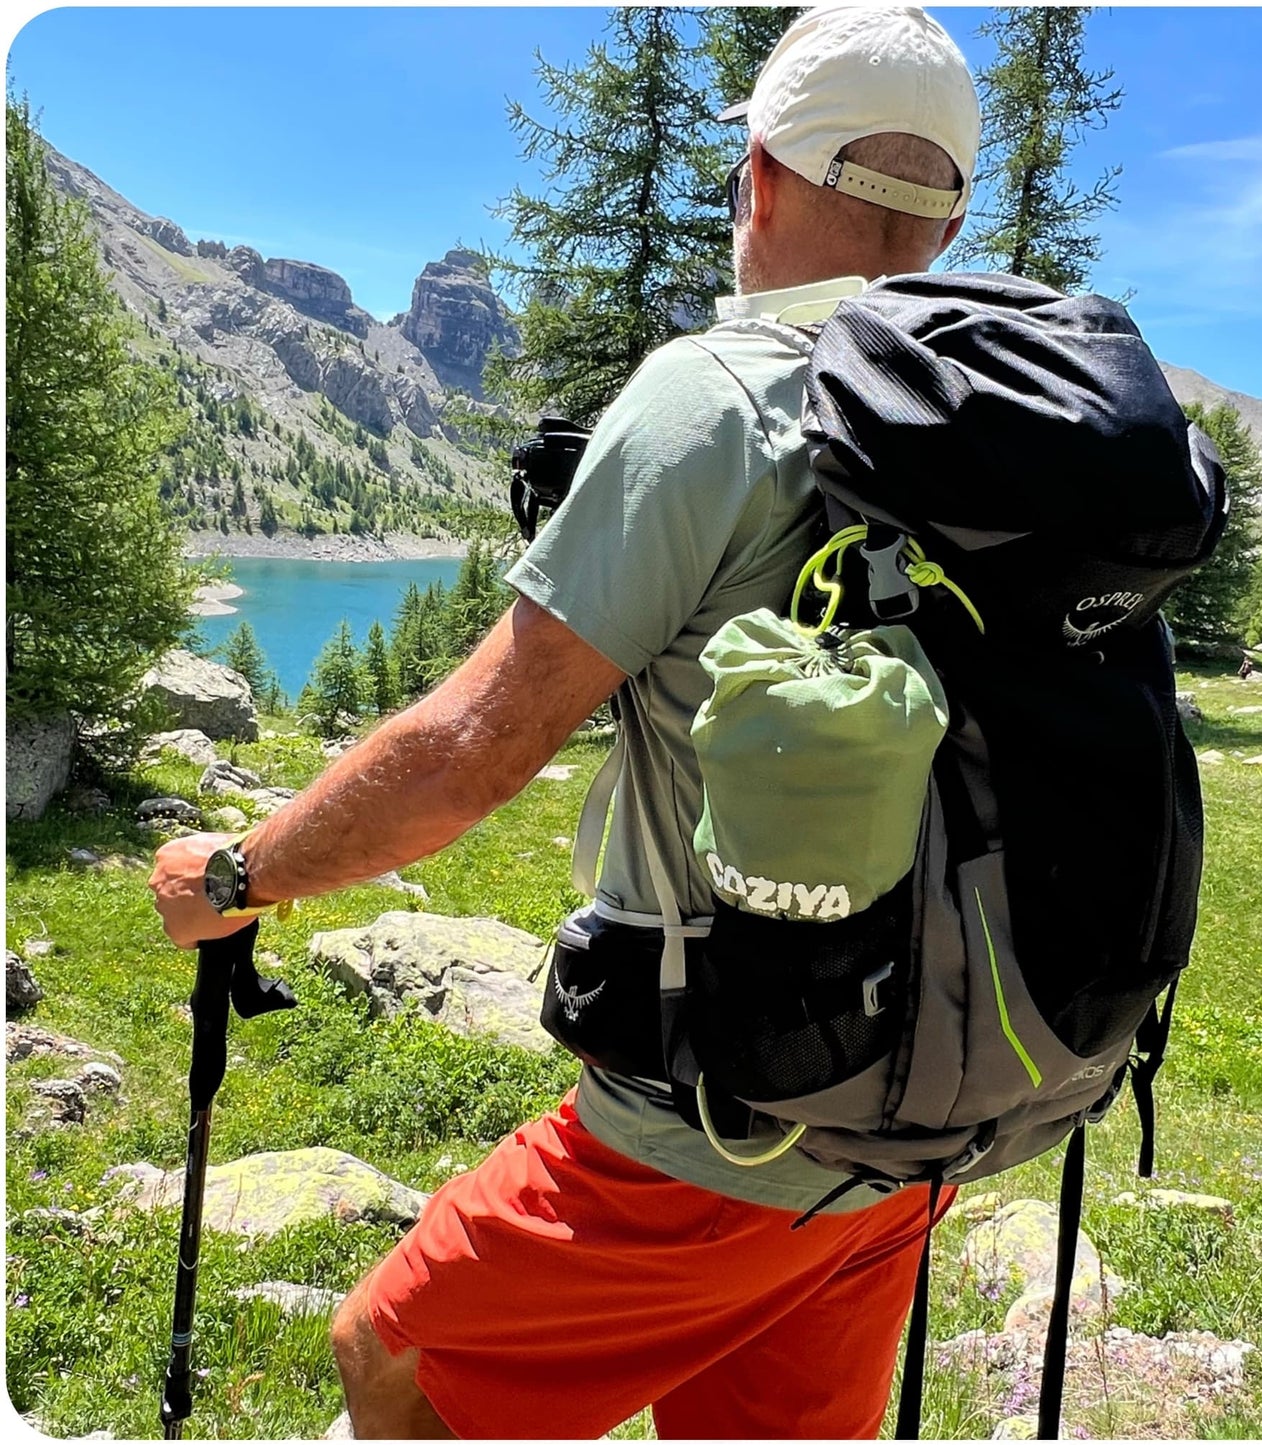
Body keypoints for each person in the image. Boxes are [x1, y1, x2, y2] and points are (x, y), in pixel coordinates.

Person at [149, 7, 981, 1437]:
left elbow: (474, 747)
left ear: (762, 176)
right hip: (915, 1115)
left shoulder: (716, 394)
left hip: (709, 1132)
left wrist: (237, 875)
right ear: (948, 210)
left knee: (393, 1358)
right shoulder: (985, 409)